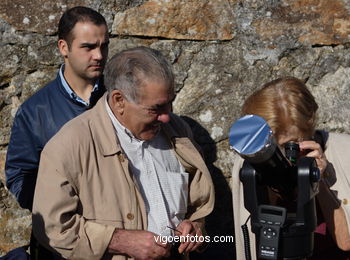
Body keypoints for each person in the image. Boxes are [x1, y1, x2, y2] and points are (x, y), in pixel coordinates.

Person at [32, 46, 215, 260]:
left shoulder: (178, 131)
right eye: (156, 109)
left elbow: (197, 202)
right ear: (119, 100)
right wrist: (120, 241)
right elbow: (54, 229)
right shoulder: (69, 146)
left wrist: (195, 226)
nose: (166, 117)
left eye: (170, 104)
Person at [232, 77, 350, 260]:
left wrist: (317, 179)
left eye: (290, 146)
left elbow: (346, 242)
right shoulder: (249, 165)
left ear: (309, 128)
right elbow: (258, 240)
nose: (283, 156)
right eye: (274, 147)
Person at [5, 6, 109, 211]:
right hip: (68, 234)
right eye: (88, 47)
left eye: (103, 46)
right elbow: (20, 177)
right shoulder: (34, 111)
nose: (98, 55)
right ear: (63, 47)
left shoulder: (121, 96)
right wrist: (61, 207)